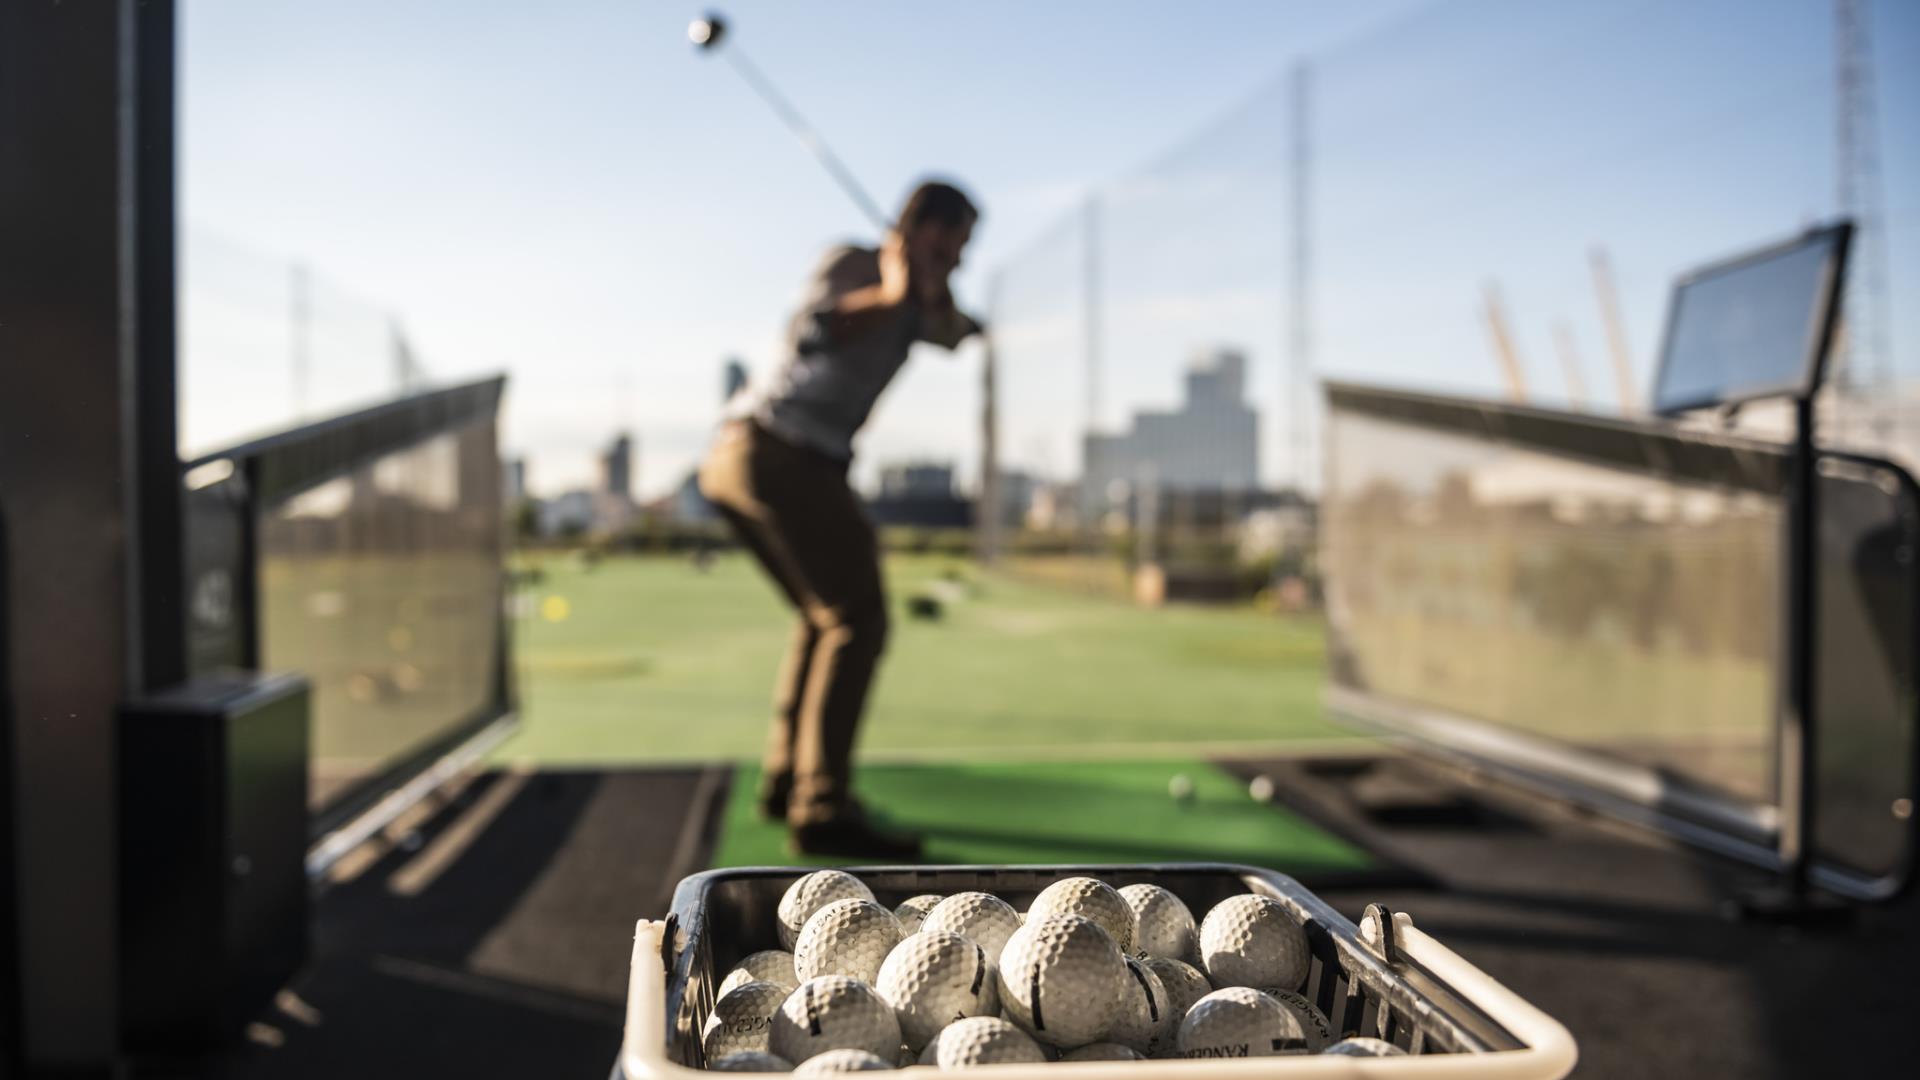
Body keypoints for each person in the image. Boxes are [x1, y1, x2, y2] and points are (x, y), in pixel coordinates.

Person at [698, 179, 981, 858]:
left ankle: (785, 781)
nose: (957, 255)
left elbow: (956, 335)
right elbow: (815, 332)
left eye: (965, 246)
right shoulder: (850, 265)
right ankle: (822, 806)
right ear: (913, 228)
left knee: (823, 615)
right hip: (770, 453)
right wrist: (890, 286)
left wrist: (930, 293)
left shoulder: (921, 300)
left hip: (775, 461)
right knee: (857, 618)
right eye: (948, 239)